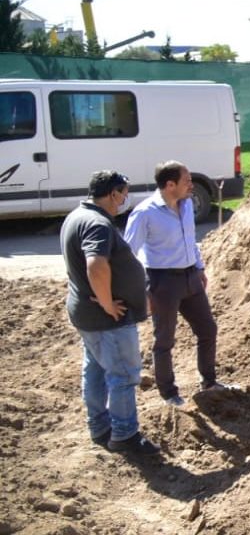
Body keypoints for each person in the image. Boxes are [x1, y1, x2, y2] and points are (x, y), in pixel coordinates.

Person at [61, 170, 160, 454]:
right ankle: (125, 435)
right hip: (107, 318)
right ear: (113, 192)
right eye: (123, 194)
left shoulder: (76, 216)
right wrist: (107, 303)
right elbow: (96, 265)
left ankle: (100, 426)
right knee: (123, 375)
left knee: (94, 369)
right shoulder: (97, 224)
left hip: (86, 314)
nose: (124, 200)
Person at [124, 161, 231, 407]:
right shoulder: (145, 213)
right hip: (163, 282)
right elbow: (128, 254)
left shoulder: (186, 206)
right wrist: (142, 290)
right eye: (187, 181)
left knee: (207, 329)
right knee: (164, 340)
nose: (191, 185)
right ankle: (169, 393)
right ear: (170, 185)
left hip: (191, 277)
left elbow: (191, 239)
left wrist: (199, 267)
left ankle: (209, 382)